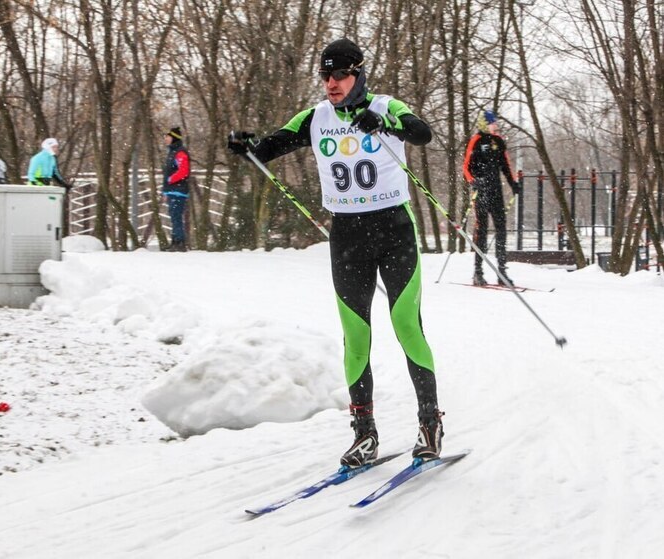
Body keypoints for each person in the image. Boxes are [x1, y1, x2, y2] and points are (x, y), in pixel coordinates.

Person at [227, 38, 443, 467]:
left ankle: (429, 423)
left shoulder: (385, 106)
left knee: (405, 323)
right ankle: (364, 434)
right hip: (347, 235)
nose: (331, 83)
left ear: (359, 74)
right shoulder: (316, 117)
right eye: (325, 75)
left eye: (340, 74)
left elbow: (422, 133)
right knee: (356, 335)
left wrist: (383, 126)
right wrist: (247, 147)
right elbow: (272, 146)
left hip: (394, 228)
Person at [462, 110, 520, 286]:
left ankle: (502, 271)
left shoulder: (498, 141)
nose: (495, 125)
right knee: (483, 230)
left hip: (496, 191)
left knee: (501, 229)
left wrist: (513, 184)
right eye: (492, 122)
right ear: (484, 123)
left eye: (495, 123)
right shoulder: (476, 140)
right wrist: (473, 181)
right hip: (481, 191)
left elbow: (506, 166)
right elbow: (466, 168)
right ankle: (478, 272)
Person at [162, 126, 191, 252]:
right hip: (172, 190)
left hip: (178, 190)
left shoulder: (180, 152)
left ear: (173, 138)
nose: (165, 139)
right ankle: (175, 241)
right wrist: (165, 191)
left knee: (176, 216)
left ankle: (180, 243)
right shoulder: (172, 152)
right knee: (174, 216)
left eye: (167, 136)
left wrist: (170, 180)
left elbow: (184, 171)